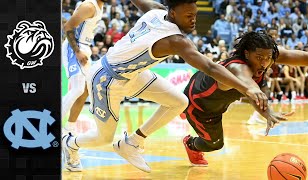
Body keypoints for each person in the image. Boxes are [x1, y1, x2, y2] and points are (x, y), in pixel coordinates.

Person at [62, 0, 269, 173]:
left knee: (179, 101)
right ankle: (70, 143)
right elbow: (208, 66)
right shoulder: (176, 41)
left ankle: (132, 142)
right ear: (173, 13)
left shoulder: (156, 10)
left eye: (195, 14)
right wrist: (246, 87)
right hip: (107, 78)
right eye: (188, 15)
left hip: (133, 74)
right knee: (103, 138)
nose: (193, 19)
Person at [182, 31, 308, 167]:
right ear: (247, 54)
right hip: (199, 104)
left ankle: (181, 107)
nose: (264, 63)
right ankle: (191, 143)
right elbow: (250, 87)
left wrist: (264, 107)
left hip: (208, 89)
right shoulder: (238, 67)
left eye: (268, 58)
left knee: (262, 83)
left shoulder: (267, 57)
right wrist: (266, 110)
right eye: (259, 58)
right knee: (215, 144)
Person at [61, 0, 106, 171]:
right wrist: (77, 51)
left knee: (85, 91)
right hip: (74, 48)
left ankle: (69, 130)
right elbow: (68, 27)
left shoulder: (100, 6)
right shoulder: (89, 5)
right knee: (78, 88)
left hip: (84, 47)